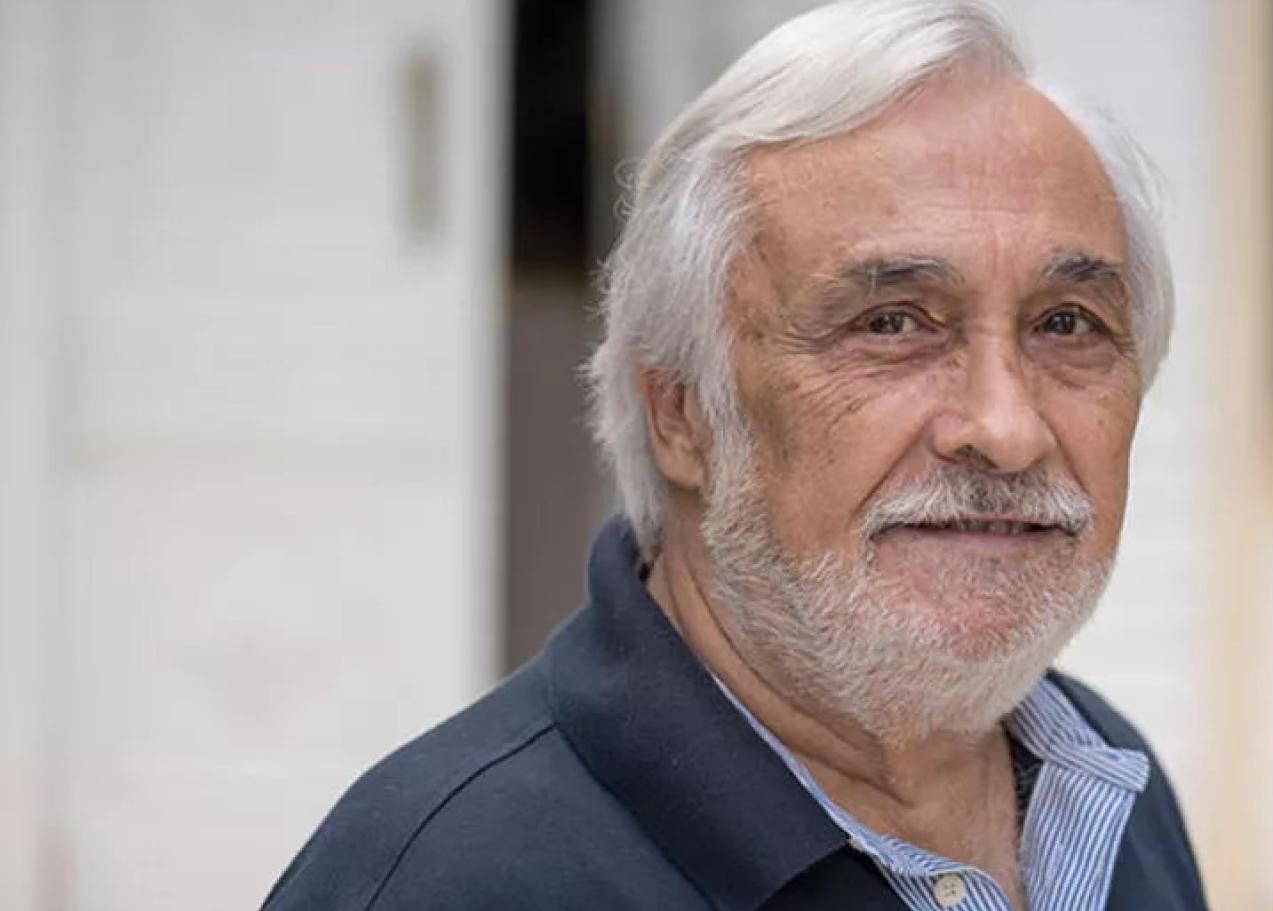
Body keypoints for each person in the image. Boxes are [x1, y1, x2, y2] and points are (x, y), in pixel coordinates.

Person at [261, 1, 1208, 908]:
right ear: (680, 414)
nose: (1006, 428)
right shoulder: (449, 880)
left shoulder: (1108, 794)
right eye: (891, 323)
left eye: (1067, 324)